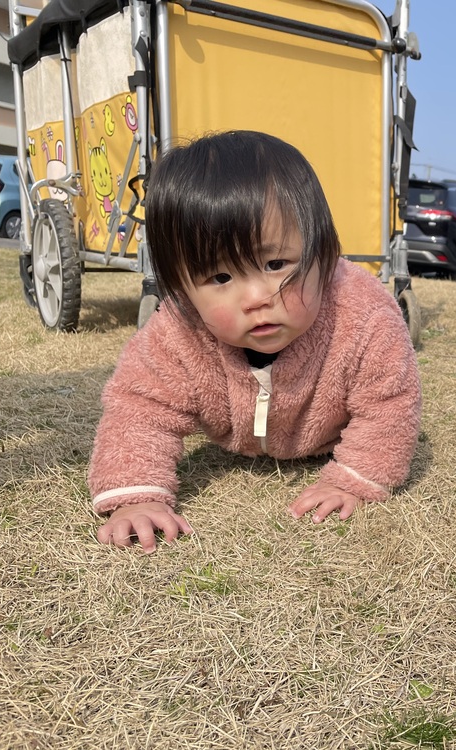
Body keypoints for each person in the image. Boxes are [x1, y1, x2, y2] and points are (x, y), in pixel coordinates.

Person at [89, 131, 422, 552]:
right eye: (221, 277)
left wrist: (355, 478)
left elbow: (389, 404)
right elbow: (139, 408)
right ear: (182, 289)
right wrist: (135, 495)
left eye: (275, 263)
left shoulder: (364, 316)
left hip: (326, 443)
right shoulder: (179, 331)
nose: (255, 299)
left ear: (324, 252)